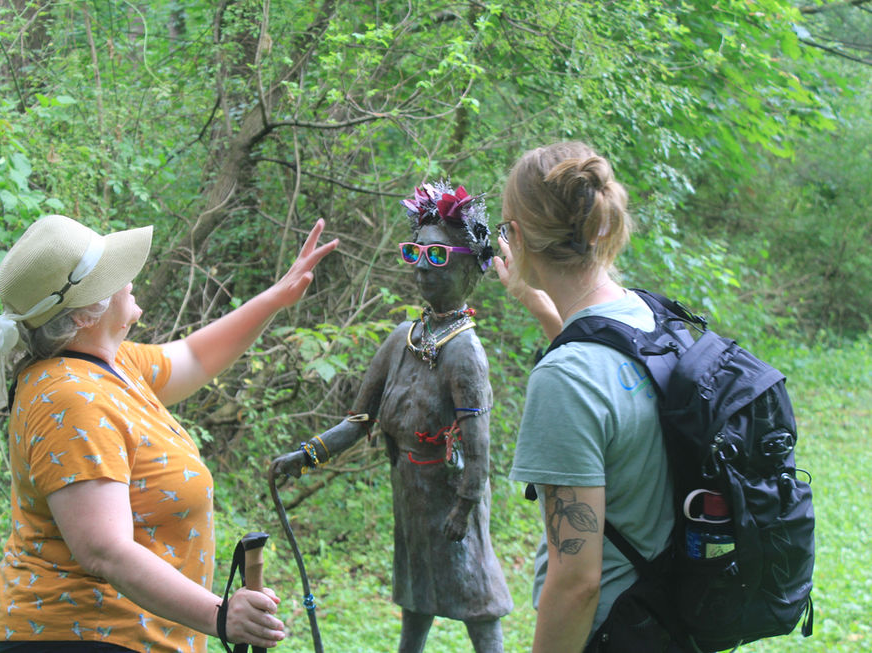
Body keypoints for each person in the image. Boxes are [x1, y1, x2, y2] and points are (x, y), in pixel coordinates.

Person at [0, 213, 338, 653]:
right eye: (114, 274)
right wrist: (220, 616)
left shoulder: (110, 364)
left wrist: (275, 298)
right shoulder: (71, 398)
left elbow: (195, 357)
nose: (129, 279)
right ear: (89, 311)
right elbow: (104, 551)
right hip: (81, 638)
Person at [271, 182, 513, 653]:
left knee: (476, 595)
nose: (423, 265)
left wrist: (464, 507)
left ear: (468, 266)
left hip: (450, 497)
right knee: (416, 595)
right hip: (410, 490)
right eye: (415, 252)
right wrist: (305, 456)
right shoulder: (404, 337)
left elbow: (478, 447)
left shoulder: (465, 354)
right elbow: (359, 420)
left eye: (438, 256)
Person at [496, 142, 676, 652]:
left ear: (516, 235)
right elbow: (605, 374)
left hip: (614, 631)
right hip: (672, 617)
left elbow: (578, 583)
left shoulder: (565, 379)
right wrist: (539, 301)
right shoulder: (650, 317)